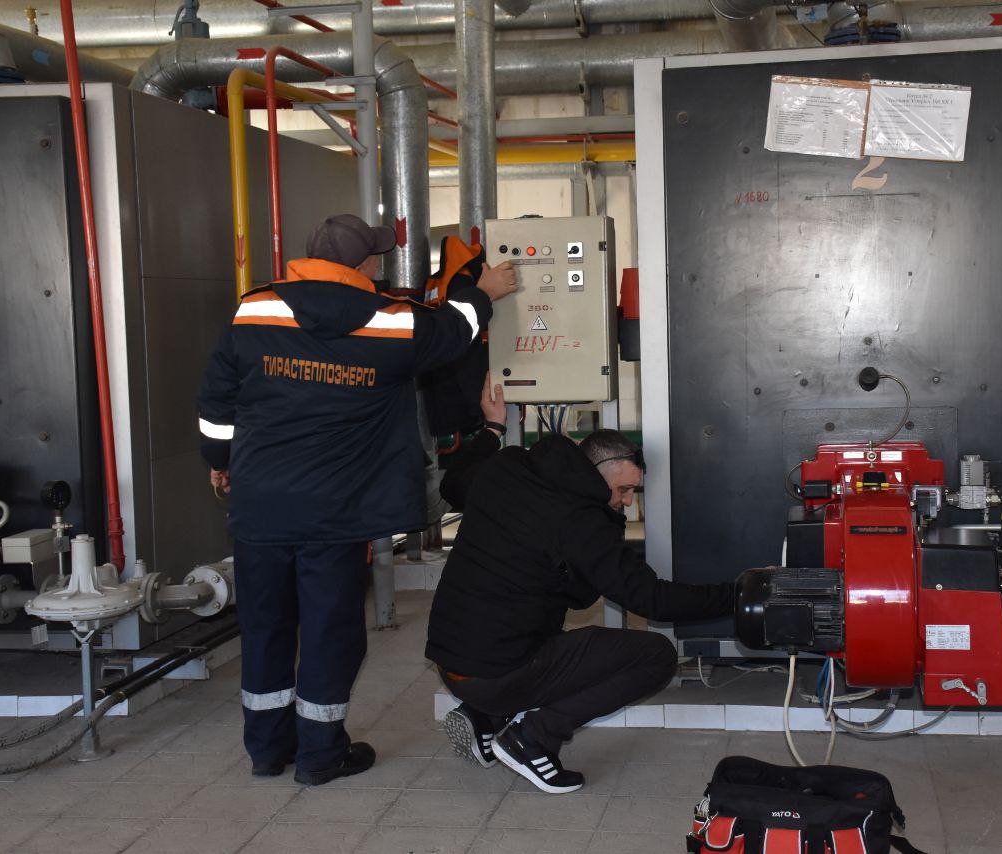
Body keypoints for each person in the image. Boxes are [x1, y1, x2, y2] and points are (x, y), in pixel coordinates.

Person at [197, 214, 516, 786]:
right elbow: (453, 331)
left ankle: (267, 750)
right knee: (329, 630)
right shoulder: (390, 322)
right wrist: (484, 292)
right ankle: (320, 755)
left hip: (261, 503)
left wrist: (220, 461)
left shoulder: (254, 310)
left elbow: (216, 402)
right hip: (336, 509)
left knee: (265, 626)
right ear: (366, 263)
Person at [425, 379, 735, 794]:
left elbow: (451, 485)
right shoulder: (582, 522)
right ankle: (532, 738)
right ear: (596, 474)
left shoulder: (509, 466)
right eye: (624, 490)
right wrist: (738, 594)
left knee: (544, 624)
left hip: (450, 661)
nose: (628, 502)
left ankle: (485, 716)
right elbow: (652, 599)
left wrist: (493, 430)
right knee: (656, 656)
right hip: (495, 672)